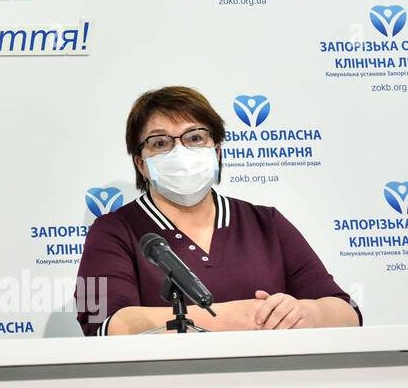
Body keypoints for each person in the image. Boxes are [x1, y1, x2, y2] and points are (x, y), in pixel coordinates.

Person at [75, 86, 361, 336]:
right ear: (141, 165)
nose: (180, 152)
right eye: (160, 143)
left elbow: (347, 313)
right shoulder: (113, 231)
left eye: (195, 138)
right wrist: (238, 318)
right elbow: (104, 324)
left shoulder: (266, 223)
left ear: (218, 151)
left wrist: (305, 313)